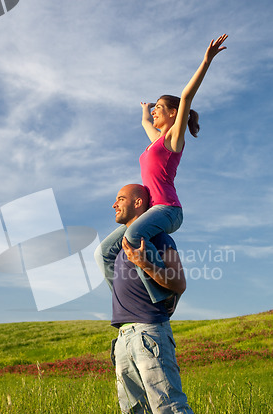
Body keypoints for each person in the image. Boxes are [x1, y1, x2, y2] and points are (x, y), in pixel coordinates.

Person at [95, 34, 228, 304]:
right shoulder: (155, 142)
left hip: (168, 209)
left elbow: (187, 96)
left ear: (173, 114)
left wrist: (206, 61)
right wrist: (145, 110)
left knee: (133, 235)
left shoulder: (173, 140)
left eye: (158, 108)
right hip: (152, 210)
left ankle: (163, 294)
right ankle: (122, 298)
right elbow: (146, 123)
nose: (154, 112)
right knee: (104, 252)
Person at [99, 183, 201, 414]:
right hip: (122, 336)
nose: (114, 204)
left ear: (139, 203)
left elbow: (179, 283)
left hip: (149, 331)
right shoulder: (119, 249)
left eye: (120, 199)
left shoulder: (159, 239)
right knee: (134, 412)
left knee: (168, 404)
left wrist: (145, 263)